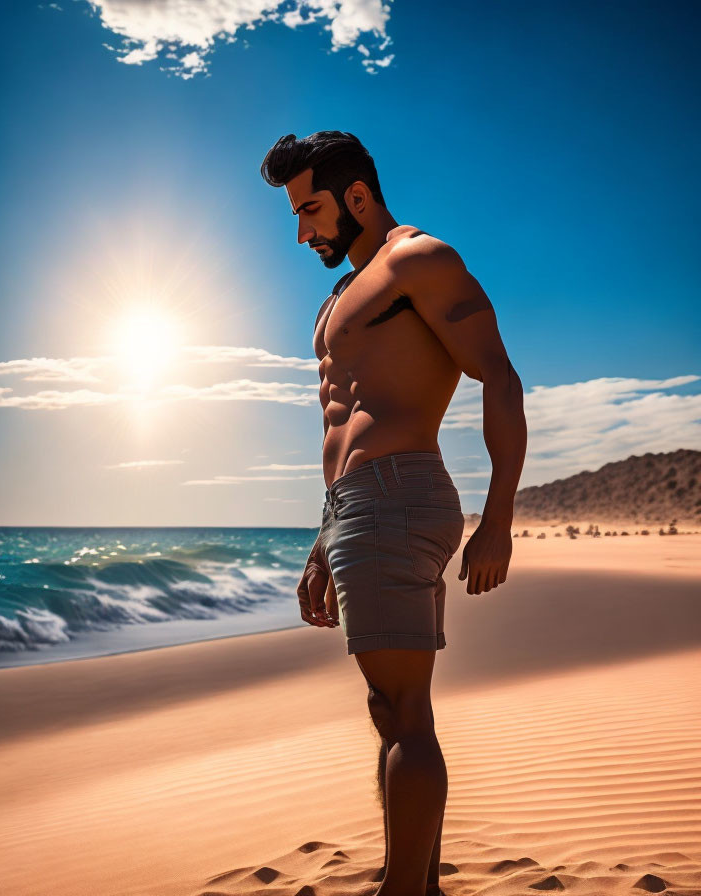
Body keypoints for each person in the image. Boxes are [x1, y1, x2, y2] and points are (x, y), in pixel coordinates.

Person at [260, 131, 527, 896]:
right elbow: (336, 428)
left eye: (310, 209)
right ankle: (417, 882)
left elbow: (499, 377)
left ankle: (405, 890)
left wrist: (498, 515)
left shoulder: (418, 259)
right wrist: (322, 536)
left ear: (356, 196)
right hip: (355, 508)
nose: (302, 231)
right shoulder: (341, 296)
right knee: (394, 708)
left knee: (403, 707)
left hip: (397, 491)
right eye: (293, 214)